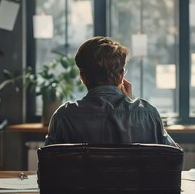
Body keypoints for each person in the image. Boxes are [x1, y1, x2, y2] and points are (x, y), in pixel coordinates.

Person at [45, 36, 176, 146]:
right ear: (122, 75)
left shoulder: (63, 116)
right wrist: (131, 105)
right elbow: (174, 159)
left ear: (82, 77)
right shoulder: (148, 114)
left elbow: (47, 170)